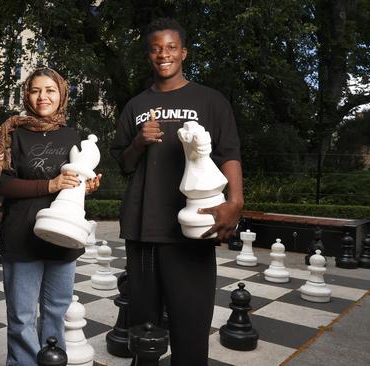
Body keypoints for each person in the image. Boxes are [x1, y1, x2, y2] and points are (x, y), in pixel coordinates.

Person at [110, 18, 243, 365]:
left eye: (171, 47)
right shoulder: (135, 106)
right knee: (144, 336)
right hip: (144, 231)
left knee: (191, 332)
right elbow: (123, 163)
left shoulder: (211, 101)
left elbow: (229, 154)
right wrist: (139, 142)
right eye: (155, 49)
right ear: (148, 56)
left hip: (193, 230)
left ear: (183, 52)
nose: (163, 55)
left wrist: (236, 203)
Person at [0, 67, 101, 365]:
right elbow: (2, 184)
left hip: (63, 236)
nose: (43, 96)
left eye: (50, 90)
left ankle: (52, 361)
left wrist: (86, 186)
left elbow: (74, 180)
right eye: (35, 90)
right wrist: (51, 184)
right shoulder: (12, 133)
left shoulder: (72, 135)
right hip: (21, 236)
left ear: (62, 94)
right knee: (21, 317)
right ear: (27, 95)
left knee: (57, 310)